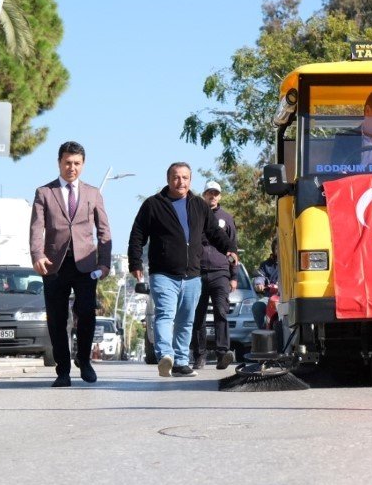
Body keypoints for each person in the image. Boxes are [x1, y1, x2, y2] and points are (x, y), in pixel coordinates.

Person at [128, 162, 237, 378]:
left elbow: (215, 232)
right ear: (168, 179)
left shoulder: (199, 205)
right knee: (165, 315)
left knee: (186, 319)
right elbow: (137, 234)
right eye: (176, 177)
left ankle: (180, 362)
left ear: (190, 180)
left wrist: (230, 249)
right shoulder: (153, 205)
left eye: (185, 178)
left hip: (192, 275)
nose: (181, 182)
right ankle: (165, 356)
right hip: (163, 273)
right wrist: (135, 263)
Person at [29, 141, 112, 387]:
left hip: (86, 265)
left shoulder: (93, 193)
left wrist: (105, 263)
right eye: (67, 162)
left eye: (76, 163)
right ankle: (62, 370)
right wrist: (37, 254)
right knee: (56, 318)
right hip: (54, 265)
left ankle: (84, 360)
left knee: (86, 313)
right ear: (59, 163)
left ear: (83, 165)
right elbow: (36, 228)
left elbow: (104, 230)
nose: (71, 168)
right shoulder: (44, 192)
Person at [190, 180, 238, 371]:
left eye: (216, 193)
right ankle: (199, 356)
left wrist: (234, 276)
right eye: (209, 193)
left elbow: (233, 247)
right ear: (204, 195)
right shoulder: (195, 217)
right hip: (198, 273)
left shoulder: (226, 218)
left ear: (220, 196)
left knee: (221, 312)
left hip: (220, 273)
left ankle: (222, 354)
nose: (212, 196)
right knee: (198, 316)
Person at [252, 238, 279, 330]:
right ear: (273, 250)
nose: (279, 250)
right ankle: (265, 332)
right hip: (271, 297)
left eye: (282, 247)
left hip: (289, 297)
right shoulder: (266, 265)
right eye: (277, 248)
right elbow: (260, 276)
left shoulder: (293, 262)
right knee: (257, 306)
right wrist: (259, 284)